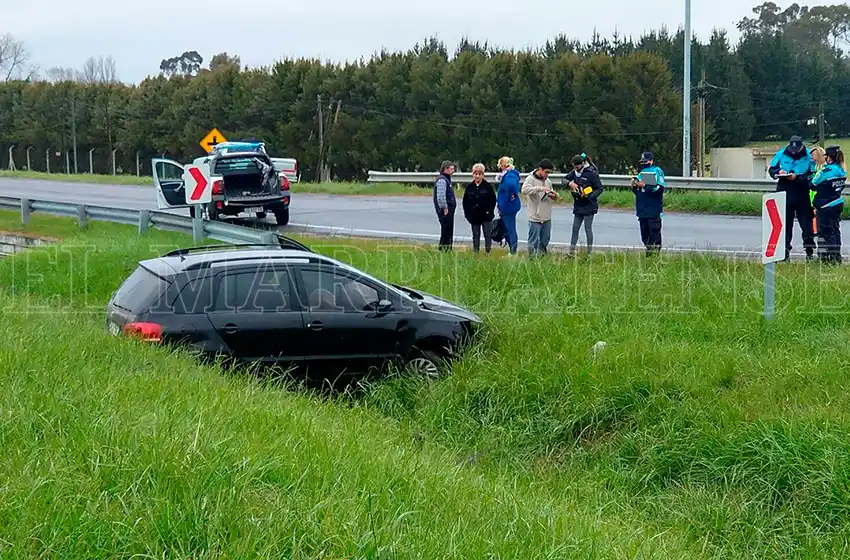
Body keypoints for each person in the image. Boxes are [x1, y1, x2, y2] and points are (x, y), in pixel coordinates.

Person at [769, 135, 815, 261]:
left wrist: (798, 178)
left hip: (802, 192)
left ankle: (809, 251)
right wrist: (778, 173)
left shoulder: (809, 156)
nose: (793, 151)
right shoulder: (781, 153)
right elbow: (772, 170)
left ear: (802, 146)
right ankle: (784, 253)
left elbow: (813, 175)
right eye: (792, 148)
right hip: (785, 191)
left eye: (797, 149)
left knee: (806, 224)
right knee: (785, 225)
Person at [809, 145, 847, 264]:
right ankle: (836, 256)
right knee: (835, 231)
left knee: (825, 232)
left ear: (829, 158)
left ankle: (826, 258)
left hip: (825, 205)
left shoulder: (826, 171)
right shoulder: (841, 169)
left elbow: (813, 184)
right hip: (837, 202)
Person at [563, 153, 603, 256]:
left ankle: (589, 253)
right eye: (574, 166)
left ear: (582, 164)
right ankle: (571, 252)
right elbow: (564, 179)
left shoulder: (591, 173)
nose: (576, 168)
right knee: (575, 228)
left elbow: (599, 189)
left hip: (589, 205)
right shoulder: (574, 172)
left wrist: (589, 196)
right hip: (578, 204)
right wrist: (569, 183)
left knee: (587, 228)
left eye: (577, 165)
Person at [629, 151, 665, 256]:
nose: (644, 163)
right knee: (645, 235)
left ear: (651, 161)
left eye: (646, 161)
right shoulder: (641, 174)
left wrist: (645, 185)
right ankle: (649, 253)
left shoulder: (657, 171)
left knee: (654, 233)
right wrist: (635, 185)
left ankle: (655, 254)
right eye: (642, 161)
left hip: (653, 209)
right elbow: (639, 193)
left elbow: (659, 189)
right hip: (642, 210)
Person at [521, 158, 557, 257]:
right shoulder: (530, 179)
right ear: (540, 169)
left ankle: (542, 258)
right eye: (546, 172)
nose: (547, 175)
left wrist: (554, 196)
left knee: (545, 240)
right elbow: (524, 190)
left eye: (549, 173)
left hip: (546, 216)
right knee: (533, 241)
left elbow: (551, 192)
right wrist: (540, 189)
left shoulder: (548, 181)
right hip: (535, 216)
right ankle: (532, 259)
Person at [462, 163, 497, 254]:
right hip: (474, 216)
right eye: (476, 174)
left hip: (486, 216)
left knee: (487, 234)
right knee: (475, 234)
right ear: (473, 174)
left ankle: (488, 251)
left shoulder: (488, 187)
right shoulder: (469, 187)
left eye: (479, 174)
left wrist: (489, 212)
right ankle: (476, 251)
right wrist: (467, 214)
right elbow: (465, 202)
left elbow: (493, 201)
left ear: (483, 175)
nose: (477, 176)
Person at [495, 156, 522, 255]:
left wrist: (511, 196)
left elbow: (511, 186)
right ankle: (512, 249)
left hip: (508, 207)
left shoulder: (509, 175)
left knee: (510, 229)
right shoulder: (509, 174)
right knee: (507, 228)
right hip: (506, 206)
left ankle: (513, 251)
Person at [433, 160, 456, 251]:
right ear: (445, 169)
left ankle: (447, 248)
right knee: (446, 230)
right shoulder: (442, 180)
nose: (453, 171)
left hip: (449, 208)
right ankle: (444, 249)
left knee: (448, 229)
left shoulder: (446, 179)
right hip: (445, 210)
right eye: (451, 169)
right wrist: (445, 207)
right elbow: (441, 196)